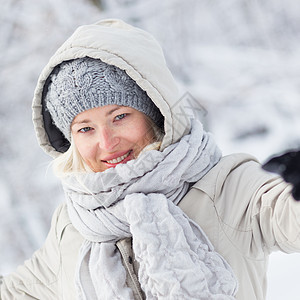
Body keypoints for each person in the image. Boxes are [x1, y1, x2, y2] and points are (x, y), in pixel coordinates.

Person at [0, 18, 299, 300]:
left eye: (120, 116)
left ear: (155, 113)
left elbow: (288, 217)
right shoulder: (73, 224)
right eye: (86, 129)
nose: (106, 142)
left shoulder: (227, 186)